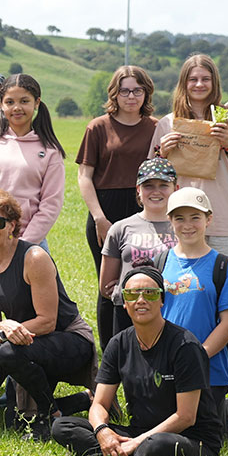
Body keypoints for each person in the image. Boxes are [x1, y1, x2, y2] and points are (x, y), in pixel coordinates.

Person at [51, 266, 225, 456]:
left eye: (150, 294)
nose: (141, 300)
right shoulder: (119, 344)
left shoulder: (185, 346)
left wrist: (137, 442)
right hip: (138, 431)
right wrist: (102, 432)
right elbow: (99, 403)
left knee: (154, 446)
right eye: (132, 294)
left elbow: (186, 416)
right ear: (124, 303)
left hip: (190, 437)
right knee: (62, 427)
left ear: (162, 300)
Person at [0, 189, 97, 431]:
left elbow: (47, 321)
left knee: (7, 352)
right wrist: (3, 327)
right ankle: (82, 400)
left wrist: (0, 334)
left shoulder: (34, 257)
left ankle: (49, 413)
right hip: (26, 341)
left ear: (12, 225)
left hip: (68, 337)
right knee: (12, 421)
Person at [0, 73, 65, 292]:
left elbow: (50, 204)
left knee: (35, 308)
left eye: (24, 101)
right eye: (10, 102)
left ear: (37, 102)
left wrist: (23, 245)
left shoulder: (50, 150)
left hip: (29, 244)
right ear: (2, 105)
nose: (17, 108)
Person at [77, 65, 160, 336]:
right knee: (109, 285)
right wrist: (100, 218)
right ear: (115, 93)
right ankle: (112, 349)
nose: (131, 96)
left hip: (144, 207)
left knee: (148, 281)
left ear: (147, 93)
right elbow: (84, 176)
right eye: (124, 90)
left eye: (138, 90)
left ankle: (148, 341)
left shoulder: (157, 127)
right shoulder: (98, 127)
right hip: (105, 210)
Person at [150, 54, 228, 263]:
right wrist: (163, 153)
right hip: (180, 219)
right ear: (183, 83)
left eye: (206, 79)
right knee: (183, 285)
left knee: (222, 285)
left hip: (224, 219)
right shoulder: (167, 123)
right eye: (193, 79)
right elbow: (151, 176)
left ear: (214, 82)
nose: (199, 84)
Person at [158, 188, 228, 408]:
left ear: (208, 219)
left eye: (195, 217)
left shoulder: (224, 267)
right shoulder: (159, 263)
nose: (187, 225)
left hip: (209, 369)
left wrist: (197, 356)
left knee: (206, 429)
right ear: (170, 221)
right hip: (167, 365)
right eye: (179, 218)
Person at [95, 157, 180, 343]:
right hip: (131, 310)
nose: (156, 191)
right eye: (148, 185)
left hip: (173, 307)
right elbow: (106, 286)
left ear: (176, 188)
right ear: (138, 190)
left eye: (163, 185)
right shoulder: (121, 228)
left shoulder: (183, 228)